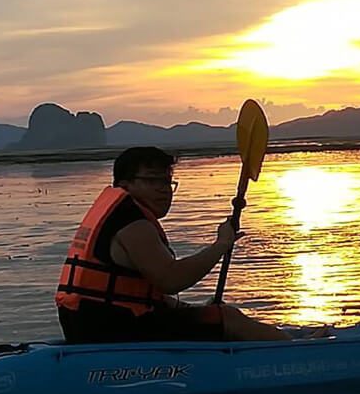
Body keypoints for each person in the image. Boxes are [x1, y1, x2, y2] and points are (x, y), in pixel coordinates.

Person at [55, 146, 313, 343]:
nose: (163, 189)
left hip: (91, 323)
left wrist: (196, 310)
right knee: (229, 318)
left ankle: (284, 339)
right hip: (111, 330)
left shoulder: (119, 213)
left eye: (167, 181)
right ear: (125, 184)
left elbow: (149, 292)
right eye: (152, 181)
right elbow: (171, 280)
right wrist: (221, 244)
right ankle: (300, 350)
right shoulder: (132, 223)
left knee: (213, 312)